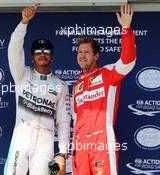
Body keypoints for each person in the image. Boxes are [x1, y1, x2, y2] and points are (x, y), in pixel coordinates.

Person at [4, 5, 71, 175]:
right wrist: (23, 23)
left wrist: (63, 152)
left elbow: (63, 121)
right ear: (32, 57)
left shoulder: (60, 85)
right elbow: (13, 50)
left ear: (52, 57)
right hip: (20, 137)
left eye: (46, 51)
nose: (42, 54)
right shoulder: (22, 74)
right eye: (38, 52)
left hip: (45, 141)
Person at [71, 4, 136, 175]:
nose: (82, 55)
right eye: (79, 52)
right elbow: (75, 118)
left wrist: (126, 29)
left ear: (96, 55)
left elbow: (128, 62)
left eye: (86, 52)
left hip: (102, 141)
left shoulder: (107, 73)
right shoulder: (76, 84)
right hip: (80, 145)